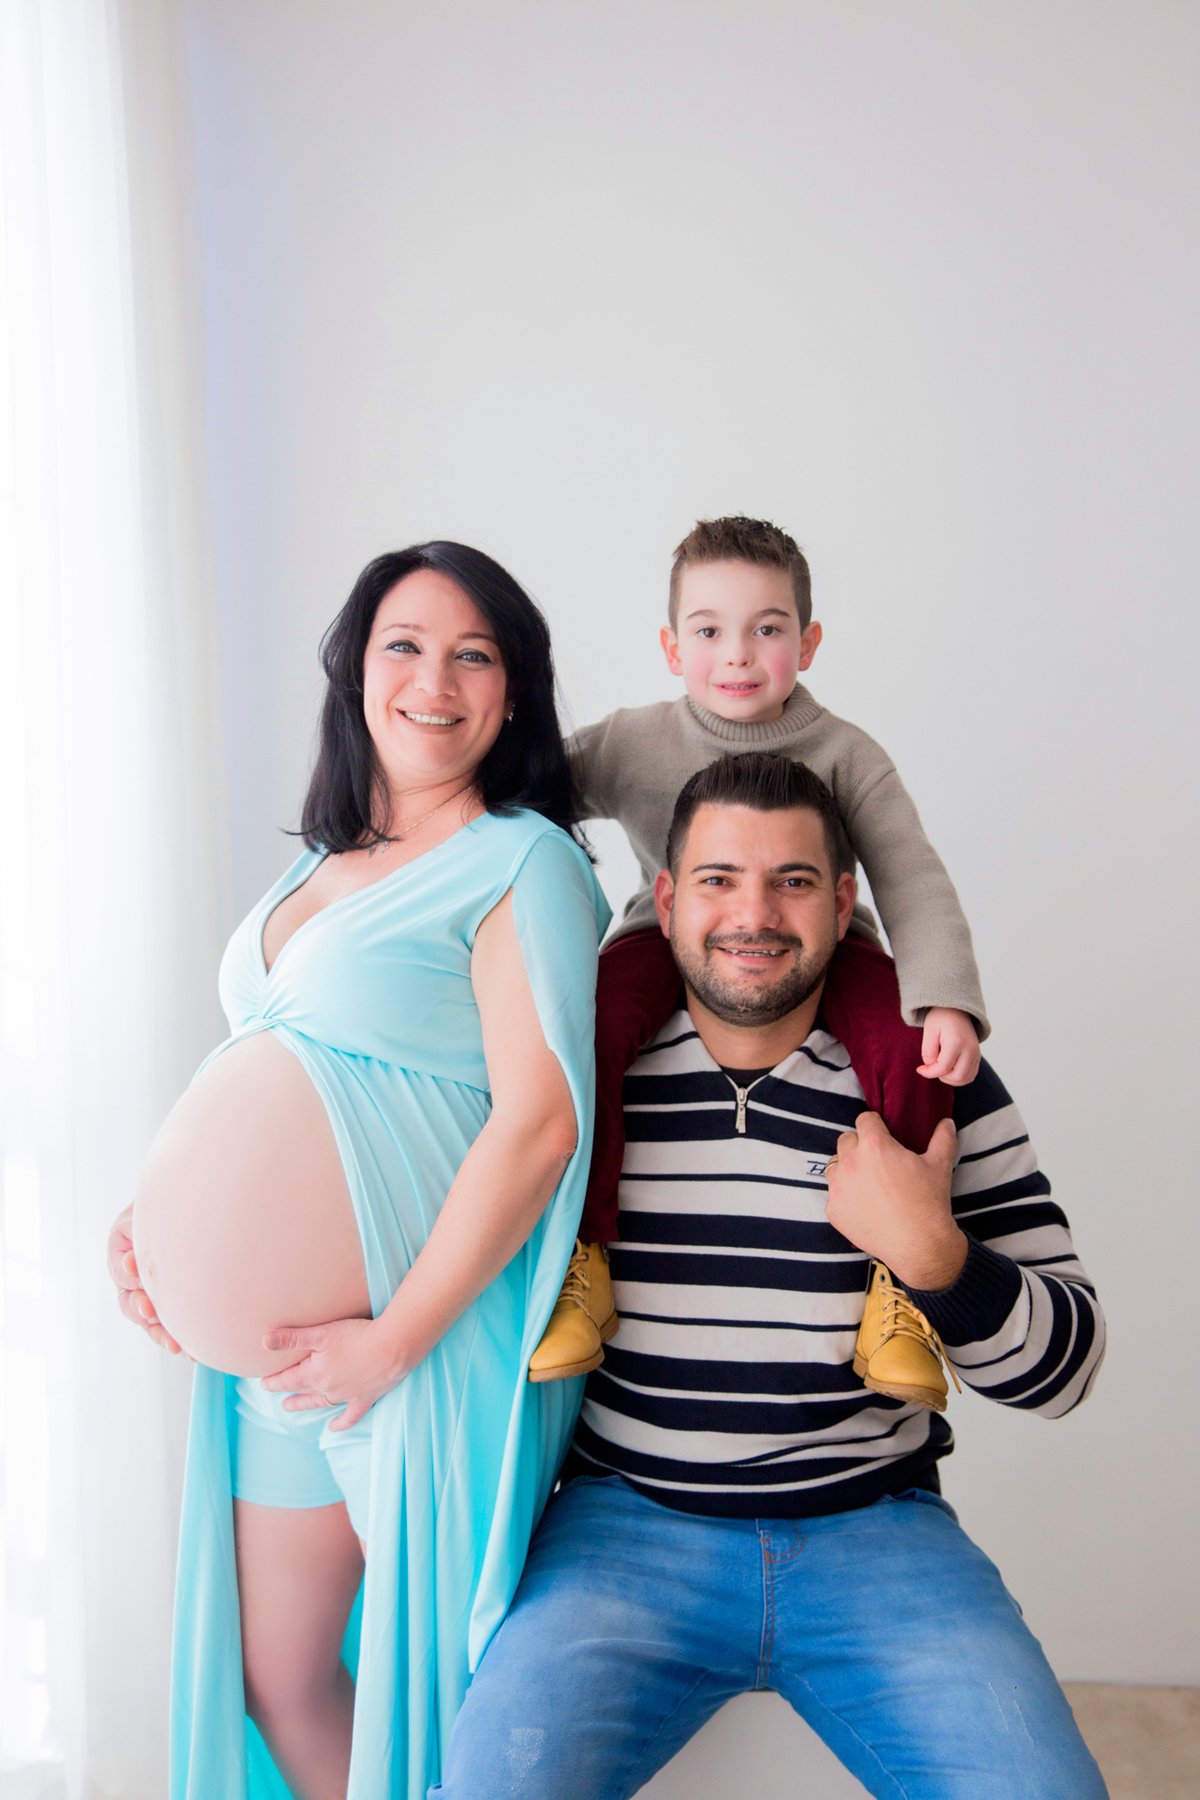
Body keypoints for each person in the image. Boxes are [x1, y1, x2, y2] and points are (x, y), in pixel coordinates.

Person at [436, 753, 1108, 1800]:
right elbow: (397, 1211)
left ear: (846, 905)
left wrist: (932, 1256)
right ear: (663, 900)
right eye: (717, 880)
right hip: (623, 1536)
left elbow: (1068, 1369)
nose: (755, 914)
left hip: (879, 1536)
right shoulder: (572, 1084)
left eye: (793, 881)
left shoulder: (935, 1083)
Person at [108, 543, 609, 1800]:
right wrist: (153, 1227)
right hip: (278, 1371)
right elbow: (271, 1067)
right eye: (405, 644)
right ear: (357, 670)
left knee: (434, 1693)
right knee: (279, 1676)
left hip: (420, 1342)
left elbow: (542, 1125)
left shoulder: (524, 862)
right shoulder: (312, 868)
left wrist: (394, 1341)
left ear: (513, 693)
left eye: (473, 654)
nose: (434, 679)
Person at [530, 516, 991, 1393]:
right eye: (709, 631)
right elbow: (527, 791)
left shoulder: (848, 755)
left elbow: (911, 876)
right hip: (669, 937)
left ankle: (895, 1294)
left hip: (822, 951)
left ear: (808, 642)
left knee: (910, 1050)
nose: (737, 655)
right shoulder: (635, 740)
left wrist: (947, 1000)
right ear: (672, 647)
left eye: (767, 629)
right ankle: (583, 1263)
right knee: (581, 1031)